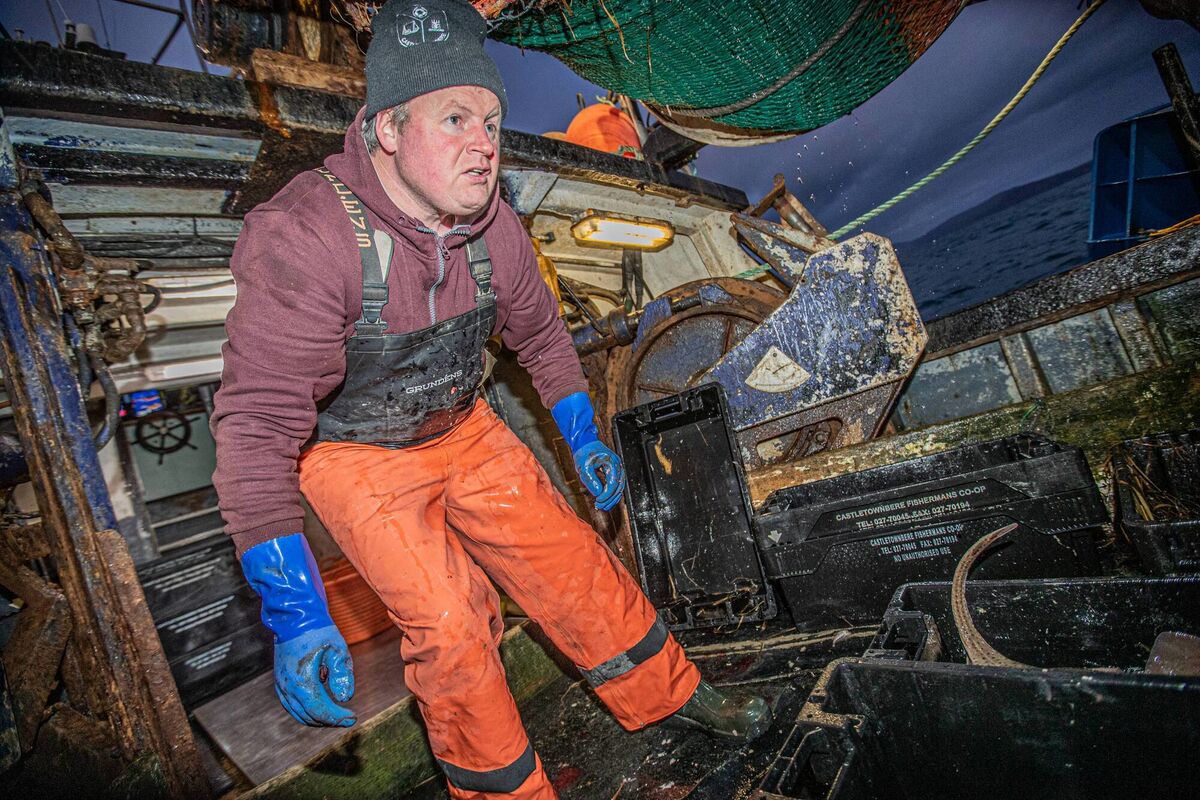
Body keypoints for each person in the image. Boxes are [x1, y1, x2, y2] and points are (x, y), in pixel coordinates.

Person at [211, 1, 769, 797]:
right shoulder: (306, 235)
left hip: (464, 427)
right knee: (451, 625)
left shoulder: (494, 225)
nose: (484, 144)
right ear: (388, 130)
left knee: (574, 561)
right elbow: (256, 431)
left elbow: (542, 339)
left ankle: (674, 694)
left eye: (493, 121)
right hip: (354, 456)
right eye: (455, 119)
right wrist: (295, 612)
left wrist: (581, 434)